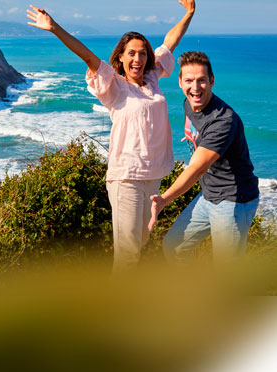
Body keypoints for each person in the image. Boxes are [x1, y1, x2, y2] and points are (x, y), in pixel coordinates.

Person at [27, 1, 195, 271]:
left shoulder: (152, 78)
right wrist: (54, 28)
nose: (137, 59)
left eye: (142, 53)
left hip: (153, 175)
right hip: (126, 176)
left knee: (140, 241)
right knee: (127, 254)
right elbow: (88, 56)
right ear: (120, 58)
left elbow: (170, 42)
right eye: (131, 53)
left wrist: (189, 13)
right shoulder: (113, 85)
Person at [148, 51, 259, 264]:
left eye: (202, 81)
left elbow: (196, 169)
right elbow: (198, 131)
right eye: (189, 81)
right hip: (208, 195)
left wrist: (163, 200)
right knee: (174, 246)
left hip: (233, 200)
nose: (195, 88)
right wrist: (193, 139)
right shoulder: (189, 103)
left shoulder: (223, 121)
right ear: (180, 82)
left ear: (212, 81)